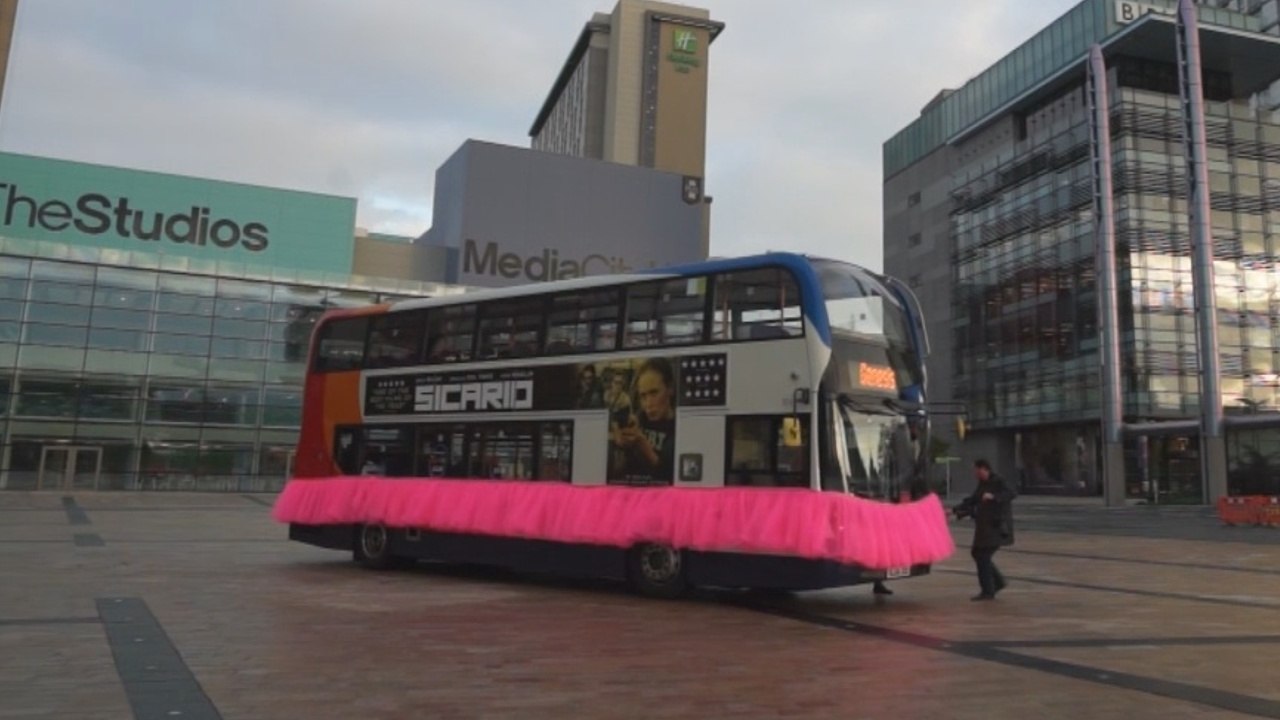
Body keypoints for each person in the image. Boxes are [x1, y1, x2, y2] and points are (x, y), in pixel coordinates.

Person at [953, 458, 1016, 601]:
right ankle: (997, 583)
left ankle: (988, 591)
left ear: (983, 469)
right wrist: (955, 509)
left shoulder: (998, 481)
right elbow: (973, 500)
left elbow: (1011, 494)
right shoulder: (983, 484)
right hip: (984, 527)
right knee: (978, 554)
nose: (974, 473)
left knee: (982, 556)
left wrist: (994, 496)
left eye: (976, 470)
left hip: (996, 526)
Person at [609, 358, 676, 483]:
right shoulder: (638, 421)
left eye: (654, 393)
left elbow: (673, 477)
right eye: (643, 396)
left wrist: (644, 447)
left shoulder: (680, 428)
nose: (648, 403)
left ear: (670, 389)